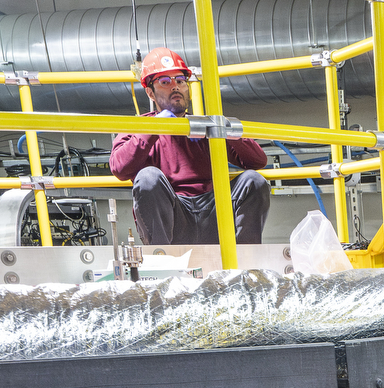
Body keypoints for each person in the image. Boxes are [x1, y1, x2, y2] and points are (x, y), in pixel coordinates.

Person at [108, 47, 272, 247]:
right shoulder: (140, 127)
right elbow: (120, 169)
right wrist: (154, 129)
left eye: (180, 80)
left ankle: (246, 263)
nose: (175, 87)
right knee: (148, 177)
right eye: (165, 82)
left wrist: (221, 129)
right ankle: (163, 261)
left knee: (253, 181)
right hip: (174, 216)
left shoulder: (204, 125)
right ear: (150, 92)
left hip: (213, 212)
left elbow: (258, 161)